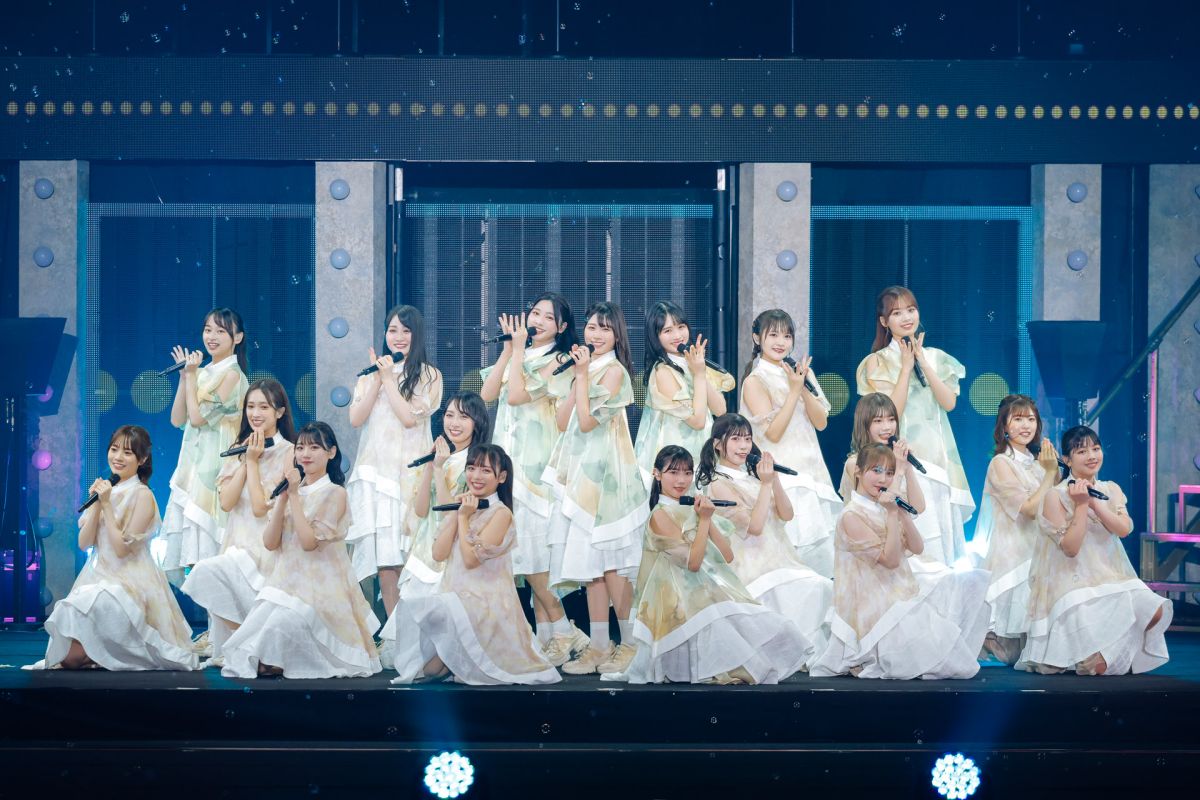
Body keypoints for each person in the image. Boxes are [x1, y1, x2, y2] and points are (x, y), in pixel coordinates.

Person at [616, 445, 810, 685]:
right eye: (673, 472)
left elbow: (727, 555)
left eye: (687, 473)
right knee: (743, 656)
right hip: (677, 603)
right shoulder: (660, 515)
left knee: (778, 627)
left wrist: (705, 518)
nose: (681, 480)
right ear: (657, 474)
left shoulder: (693, 507)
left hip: (706, 594)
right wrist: (705, 520)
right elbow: (693, 563)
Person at [811, 443, 990, 680]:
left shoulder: (885, 507)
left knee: (971, 589)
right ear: (858, 472)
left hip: (900, 594)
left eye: (889, 473)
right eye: (876, 471)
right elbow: (891, 560)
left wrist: (902, 513)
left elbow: (917, 547)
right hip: (870, 604)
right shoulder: (851, 515)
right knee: (935, 660)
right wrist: (892, 514)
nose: (882, 479)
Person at [390, 444, 561, 685]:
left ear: (501, 477)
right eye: (471, 468)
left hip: (486, 605)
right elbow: (438, 554)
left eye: (485, 471)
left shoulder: (501, 514)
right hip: (457, 600)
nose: (476, 476)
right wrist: (457, 513)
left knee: (446, 668)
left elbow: (471, 560)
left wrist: (463, 518)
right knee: (430, 670)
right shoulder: (463, 505)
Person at [479, 294, 589, 664]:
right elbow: (487, 394)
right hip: (507, 467)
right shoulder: (518, 352)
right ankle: (550, 639)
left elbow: (515, 396)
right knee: (525, 557)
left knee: (534, 557)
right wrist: (509, 351)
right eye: (535, 313)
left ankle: (565, 630)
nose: (537, 320)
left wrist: (518, 351)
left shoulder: (560, 361)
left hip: (536, 469)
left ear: (561, 327)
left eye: (548, 317)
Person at [222, 423, 381, 679]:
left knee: (274, 638)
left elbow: (308, 543)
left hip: (320, 594)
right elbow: (270, 542)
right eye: (300, 448)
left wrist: (294, 497)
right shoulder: (291, 489)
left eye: (314, 448)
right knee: (247, 652)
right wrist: (283, 498)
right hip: (284, 588)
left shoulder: (335, 493)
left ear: (331, 453)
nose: (305, 454)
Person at [33, 426, 197, 671]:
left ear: (142, 459)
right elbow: (84, 543)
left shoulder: (143, 495)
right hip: (98, 578)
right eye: (114, 449)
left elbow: (122, 550)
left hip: (131, 584)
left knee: (95, 608)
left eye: (128, 453)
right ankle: (103, 653)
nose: (118, 457)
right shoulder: (106, 491)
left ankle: (117, 651)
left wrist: (107, 504)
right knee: (68, 657)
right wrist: (97, 505)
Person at [545, 302, 648, 676]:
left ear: (618, 335)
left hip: (608, 478)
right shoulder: (583, 369)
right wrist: (578, 377)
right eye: (591, 327)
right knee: (592, 568)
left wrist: (583, 377)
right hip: (581, 475)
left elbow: (588, 423)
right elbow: (563, 421)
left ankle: (632, 644)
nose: (596, 334)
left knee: (613, 564)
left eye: (605, 328)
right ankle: (601, 645)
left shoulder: (615, 372)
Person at [1017, 426, 1171, 676]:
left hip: (1111, 577)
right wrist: (1080, 505)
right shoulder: (1055, 496)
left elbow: (1123, 529)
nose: (1091, 456)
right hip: (1072, 583)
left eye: (1096, 449)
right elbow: (1070, 549)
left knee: (1155, 610)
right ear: (1067, 459)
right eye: (1081, 451)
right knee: (1090, 657)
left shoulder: (1111, 489)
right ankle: (1096, 656)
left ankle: (1103, 655)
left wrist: (1095, 504)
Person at [181, 378, 297, 666]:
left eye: (264, 407)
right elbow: (226, 502)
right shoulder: (239, 447)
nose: (255, 414)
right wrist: (246, 461)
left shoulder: (290, 452)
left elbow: (261, 508)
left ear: (280, 412)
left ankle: (251, 648)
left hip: (269, 550)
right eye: (250, 406)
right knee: (206, 575)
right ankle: (245, 645)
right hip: (236, 544)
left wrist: (254, 462)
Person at [856, 286, 973, 566]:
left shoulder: (936, 356)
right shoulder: (876, 362)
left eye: (911, 310)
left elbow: (949, 403)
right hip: (900, 460)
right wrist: (906, 368)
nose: (907, 317)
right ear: (884, 321)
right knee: (913, 542)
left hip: (939, 458)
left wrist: (923, 362)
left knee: (939, 551)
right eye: (897, 313)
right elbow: (890, 412)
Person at [345, 304, 443, 615]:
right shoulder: (371, 375)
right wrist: (377, 378)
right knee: (385, 561)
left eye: (406, 330)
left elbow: (409, 418)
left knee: (411, 554)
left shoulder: (429, 375)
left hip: (409, 475)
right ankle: (394, 631)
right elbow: (355, 419)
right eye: (392, 330)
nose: (398, 337)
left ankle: (417, 630)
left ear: (417, 335)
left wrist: (388, 379)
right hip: (375, 473)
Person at [740, 309, 840, 577]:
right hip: (782, 477)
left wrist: (802, 386)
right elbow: (773, 434)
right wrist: (794, 391)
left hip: (811, 472)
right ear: (757, 338)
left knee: (818, 562)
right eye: (773, 335)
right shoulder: (754, 381)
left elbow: (821, 422)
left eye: (787, 336)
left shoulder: (802, 373)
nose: (781, 342)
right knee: (789, 558)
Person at [160, 307, 249, 585]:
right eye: (208, 330)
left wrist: (192, 377)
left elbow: (199, 419)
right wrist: (185, 377)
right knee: (193, 557)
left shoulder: (232, 375)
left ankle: (216, 612)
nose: (212, 336)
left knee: (211, 551)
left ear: (237, 337)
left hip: (216, 465)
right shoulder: (200, 372)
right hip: (192, 463)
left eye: (221, 331)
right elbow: (178, 420)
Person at [633, 300, 732, 483]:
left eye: (681, 327)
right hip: (675, 459)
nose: (677, 335)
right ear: (656, 337)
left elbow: (720, 410)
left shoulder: (693, 363)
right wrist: (699, 374)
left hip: (701, 450)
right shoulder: (662, 371)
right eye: (667, 331)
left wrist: (700, 371)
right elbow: (697, 421)